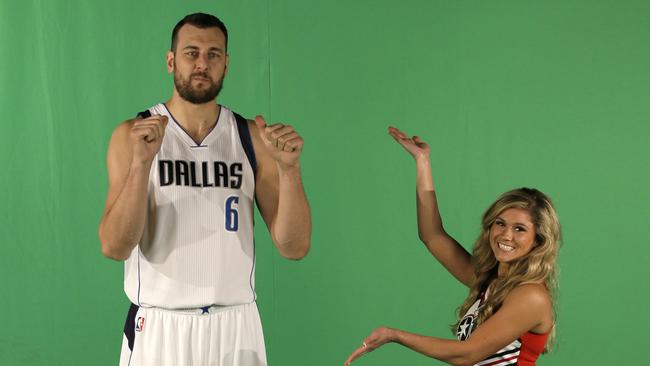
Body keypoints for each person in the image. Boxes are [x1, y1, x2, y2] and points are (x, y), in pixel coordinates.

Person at [98, 13, 311, 366]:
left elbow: (295, 247)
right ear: (171, 61)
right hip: (161, 325)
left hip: (237, 324)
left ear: (226, 64)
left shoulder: (252, 138)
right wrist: (141, 166)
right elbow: (115, 246)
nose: (202, 63)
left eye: (213, 55)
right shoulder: (133, 134)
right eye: (191, 53)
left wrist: (289, 170)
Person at [345, 127, 560, 366]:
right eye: (500, 223)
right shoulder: (490, 281)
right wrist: (422, 161)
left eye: (520, 229)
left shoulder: (531, 295)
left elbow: (466, 354)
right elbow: (432, 235)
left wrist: (395, 335)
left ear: (538, 240)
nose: (506, 235)